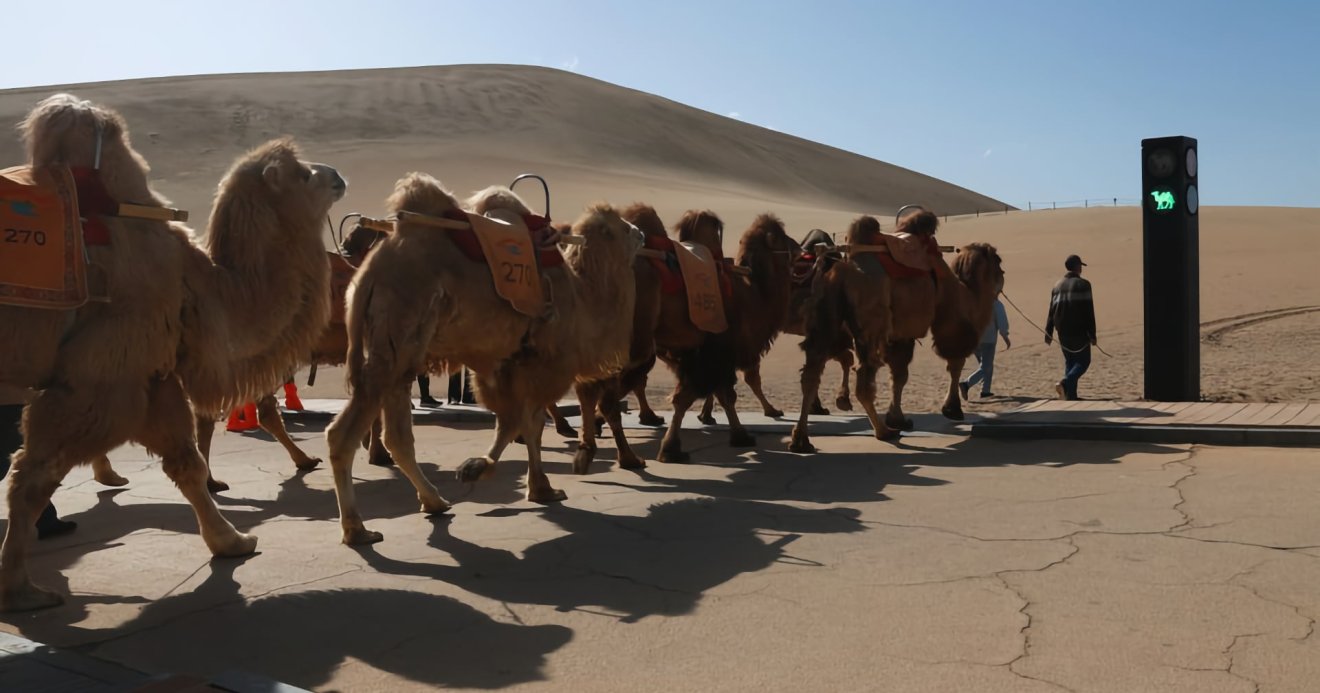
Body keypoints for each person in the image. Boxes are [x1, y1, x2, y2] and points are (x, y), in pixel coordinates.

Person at [0, 385, 77, 539]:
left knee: (29, 464)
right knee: (30, 464)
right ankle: (45, 520)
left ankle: (45, 518)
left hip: (13, 402)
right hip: (12, 404)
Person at [1044, 254, 1097, 400]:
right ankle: (1066, 383)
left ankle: (1070, 396)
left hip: (1062, 330)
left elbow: (1051, 310)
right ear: (1077, 266)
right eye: (1080, 266)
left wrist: (1048, 331)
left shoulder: (1057, 285)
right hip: (1079, 330)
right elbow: (1088, 310)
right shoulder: (1084, 284)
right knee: (1083, 362)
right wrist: (1092, 334)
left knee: (1070, 361)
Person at [959, 287, 1010, 399]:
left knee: (986, 365)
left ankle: (985, 390)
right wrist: (1005, 336)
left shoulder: (976, 303)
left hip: (975, 340)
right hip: (988, 341)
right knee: (985, 367)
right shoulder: (997, 304)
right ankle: (966, 384)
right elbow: (1002, 323)